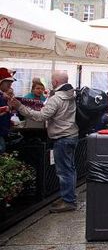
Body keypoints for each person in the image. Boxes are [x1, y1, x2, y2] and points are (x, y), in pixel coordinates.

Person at [11, 71, 79, 213]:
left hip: (62, 137)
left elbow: (41, 116)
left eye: (52, 80)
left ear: (55, 82)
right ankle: (68, 196)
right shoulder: (72, 94)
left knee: (64, 171)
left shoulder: (56, 98)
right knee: (70, 169)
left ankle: (68, 201)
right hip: (72, 135)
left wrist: (20, 107)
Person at [0, 68, 16, 154]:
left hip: (3, 131)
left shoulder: (3, 95)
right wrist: (7, 108)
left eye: (11, 83)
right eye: (8, 83)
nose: (10, 85)